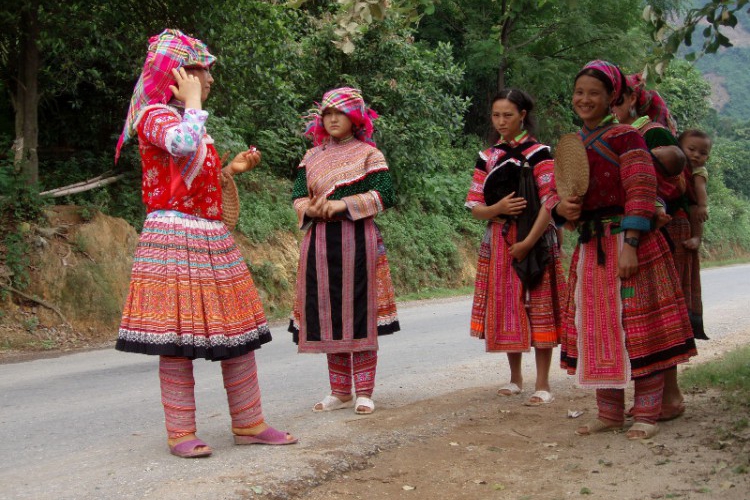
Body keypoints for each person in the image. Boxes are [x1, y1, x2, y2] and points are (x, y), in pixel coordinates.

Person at [115, 29, 297, 458]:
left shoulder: (187, 118)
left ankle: (250, 422)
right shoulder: (155, 117)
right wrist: (193, 101)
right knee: (176, 340)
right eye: (203, 73)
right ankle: (180, 433)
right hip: (174, 236)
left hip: (210, 236)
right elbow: (182, 143)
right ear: (179, 75)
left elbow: (194, 178)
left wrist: (230, 169)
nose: (210, 81)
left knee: (238, 334)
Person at [551, 60, 697, 440]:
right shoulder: (572, 144)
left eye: (594, 93)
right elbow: (559, 196)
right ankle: (610, 413)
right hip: (591, 248)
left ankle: (647, 414)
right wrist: (560, 209)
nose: (585, 99)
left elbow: (641, 190)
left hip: (631, 246)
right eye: (579, 92)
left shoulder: (627, 138)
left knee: (638, 326)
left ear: (612, 97)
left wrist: (631, 244)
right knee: (598, 327)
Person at [289, 87, 400, 415]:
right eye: (328, 113)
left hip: (359, 242)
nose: (333, 118)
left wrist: (341, 205)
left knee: (359, 314)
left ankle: (364, 390)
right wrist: (311, 208)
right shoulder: (312, 157)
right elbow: (297, 195)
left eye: (341, 113)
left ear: (356, 118)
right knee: (328, 314)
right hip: (320, 244)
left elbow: (384, 195)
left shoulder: (369, 154)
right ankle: (340, 391)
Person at [465, 89, 566, 406]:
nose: (501, 122)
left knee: (538, 305)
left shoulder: (540, 154)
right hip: (498, 239)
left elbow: (550, 203)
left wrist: (526, 242)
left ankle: (543, 382)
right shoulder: (488, 157)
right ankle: (515, 378)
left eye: (508, 115)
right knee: (510, 305)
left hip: (534, 239)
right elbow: (475, 206)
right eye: (496, 115)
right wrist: (500, 208)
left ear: (523, 114)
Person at [611, 73, 697, 421]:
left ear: (633, 99)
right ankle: (663, 396)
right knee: (644, 315)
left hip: (661, 231)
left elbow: (677, 184)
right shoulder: (620, 135)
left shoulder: (652, 133)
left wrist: (652, 206)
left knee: (660, 316)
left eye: (617, 100)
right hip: (643, 226)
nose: (612, 106)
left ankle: (670, 396)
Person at [679, 128, 712, 340]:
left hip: (694, 205)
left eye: (702, 153)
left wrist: (703, 205)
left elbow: (700, 190)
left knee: (695, 217)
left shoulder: (699, 172)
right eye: (691, 149)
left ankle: (697, 237)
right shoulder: (681, 166)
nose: (696, 155)